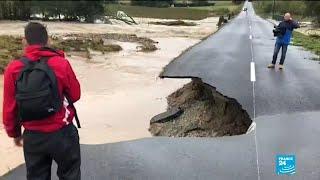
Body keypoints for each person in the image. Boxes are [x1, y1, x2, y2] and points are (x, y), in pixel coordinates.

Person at [2, 22, 81, 180]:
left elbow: (10, 108)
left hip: (33, 136)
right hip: (62, 133)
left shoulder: (13, 68)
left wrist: (15, 134)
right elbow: (75, 94)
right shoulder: (61, 63)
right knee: (70, 175)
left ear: (24, 41)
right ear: (48, 41)